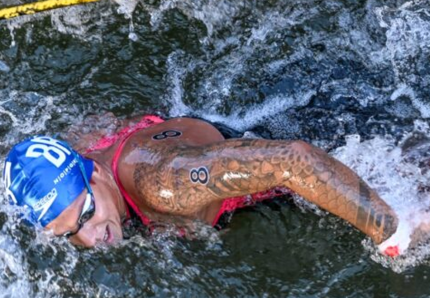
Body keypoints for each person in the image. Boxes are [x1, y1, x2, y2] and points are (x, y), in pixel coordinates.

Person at [2, 114, 427, 256]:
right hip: (216, 138)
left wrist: (391, 232)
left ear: (94, 176)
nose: (92, 238)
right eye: (68, 234)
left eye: (87, 214)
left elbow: (292, 160)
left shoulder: (165, 185)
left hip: (335, 141)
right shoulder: (83, 150)